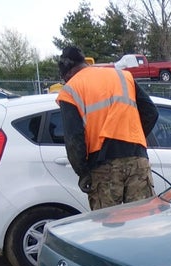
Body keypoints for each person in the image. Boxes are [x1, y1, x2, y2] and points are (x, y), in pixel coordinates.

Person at [56, 46, 159, 210]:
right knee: (141, 219)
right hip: (137, 160)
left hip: (103, 165)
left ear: (67, 73)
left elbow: (74, 139)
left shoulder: (70, 89)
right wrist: (133, 137)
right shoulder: (122, 75)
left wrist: (83, 172)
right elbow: (151, 113)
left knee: (108, 223)